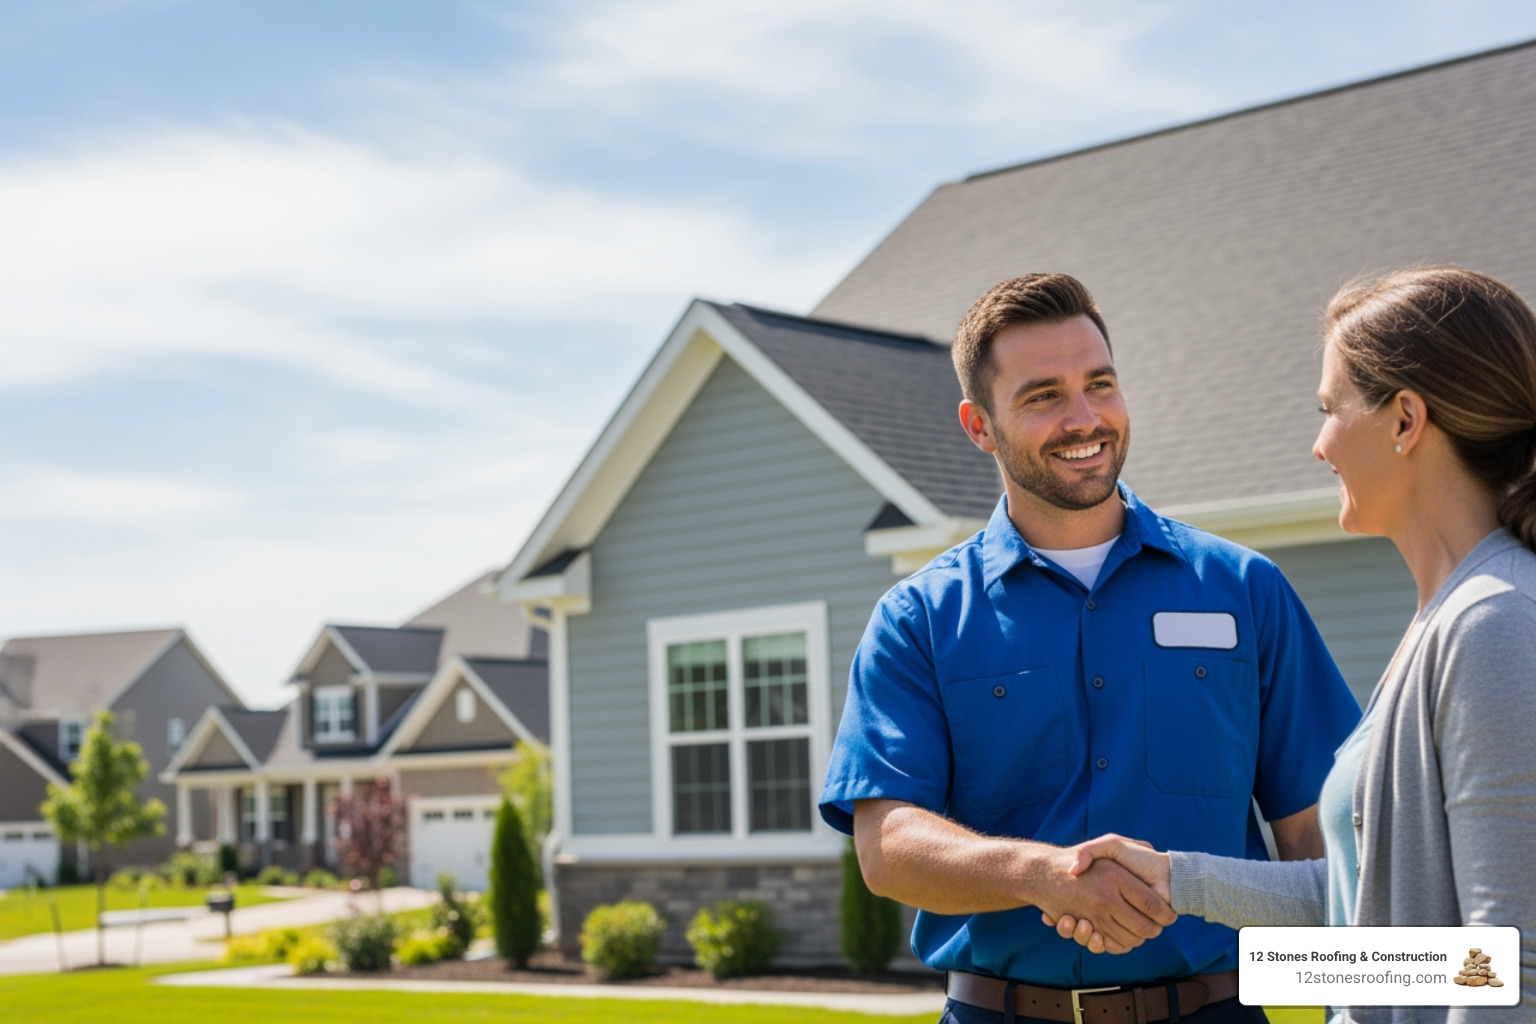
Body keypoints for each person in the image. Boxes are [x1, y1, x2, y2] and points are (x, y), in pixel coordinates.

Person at [818, 273, 1363, 1024]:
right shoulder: (919, 618)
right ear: (980, 426)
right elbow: (887, 847)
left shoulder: (1244, 590)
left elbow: (1318, 834)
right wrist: (1041, 874)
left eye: (1099, 384)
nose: (1085, 418)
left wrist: (1352, 1004)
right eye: (1044, 395)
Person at [1046, 266, 1536, 1023]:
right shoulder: (1444, 619)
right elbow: (1362, 897)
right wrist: (1174, 883)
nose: (1318, 445)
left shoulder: (1493, 622)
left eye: (1329, 409)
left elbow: (1506, 970)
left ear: (1406, 421)